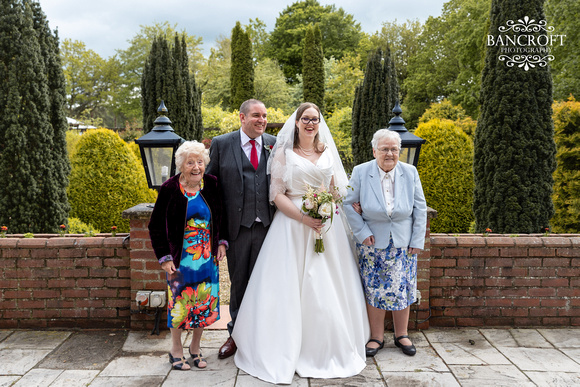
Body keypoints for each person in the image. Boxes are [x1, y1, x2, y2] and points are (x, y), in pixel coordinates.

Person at [231, 102, 370, 384]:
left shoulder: (326, 151)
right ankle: (282, 347)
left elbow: (333, 189)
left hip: (325, 227)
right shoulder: (283, 153)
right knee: (288, 287)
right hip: (292, 226)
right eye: (305, 118)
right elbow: (277, 194)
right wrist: (303, 218)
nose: (310, 123)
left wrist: (329, 208)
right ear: (296, 122)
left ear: (319, 123)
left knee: (327, 285)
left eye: (315, 119)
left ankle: (328, 347)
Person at [344, 129, 427, 357]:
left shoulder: (410, 173)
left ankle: (402, 334)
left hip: (404, 243)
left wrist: (417, 239)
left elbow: (420, 208)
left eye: (394, 149)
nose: (389, 153)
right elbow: (348, 203)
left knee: (403, 288)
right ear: (374, 151)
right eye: (384, 149)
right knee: (374, 290)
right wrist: (361, 232)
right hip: (372, 242)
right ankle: (376, 337)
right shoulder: (361, 172)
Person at [206, 99, 277, 359]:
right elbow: (211, 189)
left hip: (269, 227)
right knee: (238, 285)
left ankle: (262, 335)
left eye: (265, 116)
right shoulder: (222, 144)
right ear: (242, 118)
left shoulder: (274, 143)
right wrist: (218, 235)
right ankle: (235, 336)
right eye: (256, 115)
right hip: (235, 228)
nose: (261, 120)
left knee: (265, 283)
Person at [148, 141, 226, 370]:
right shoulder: (170, 188)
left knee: (203, 303)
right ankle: (176, 349)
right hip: (180, 261)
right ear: (181, 165)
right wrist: (164, 257)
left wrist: (221, 242)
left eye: (200, 162)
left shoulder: (211, 184)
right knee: (179, 305)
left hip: (207, 259)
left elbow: (220, 216)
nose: (196, 167)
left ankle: (195, 347)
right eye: (190, 162)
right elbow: (155, 226)